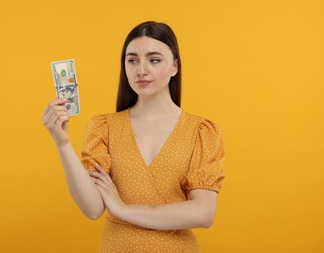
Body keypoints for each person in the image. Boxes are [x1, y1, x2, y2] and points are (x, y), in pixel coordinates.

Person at [42, 21, 225, 252]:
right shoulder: (104, 127)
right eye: (132, 60)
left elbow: (203, 213)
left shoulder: (201, 131)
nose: (141, 70)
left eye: (154, 60)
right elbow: (92, 208)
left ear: (174, 67)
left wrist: (123, 210)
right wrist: (63, 143)